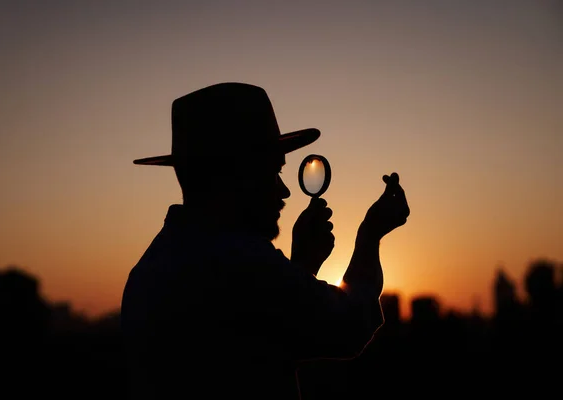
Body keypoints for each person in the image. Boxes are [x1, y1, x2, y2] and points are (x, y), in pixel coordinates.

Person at [121, 82, 410, 400]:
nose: (283, 190)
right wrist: (370, 234)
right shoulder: (241, 264)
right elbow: (349, 324)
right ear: (236, 176)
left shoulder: (150, 270)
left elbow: (262, 341)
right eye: (272, 172)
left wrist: (302, 266)